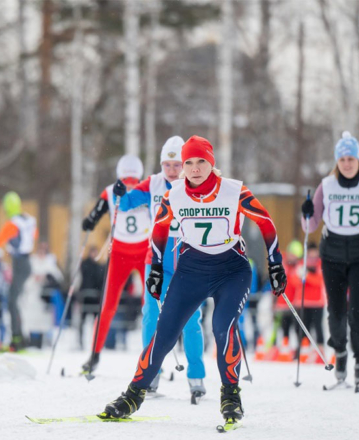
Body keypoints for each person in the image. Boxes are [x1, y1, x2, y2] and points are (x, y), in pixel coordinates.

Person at [98, 135, 286, 425]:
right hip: (192, 269)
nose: (195, 168)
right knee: (165, 332)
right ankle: (134, 394)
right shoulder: (174, 194)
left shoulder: (233, 190)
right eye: (189, 163)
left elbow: (265, 222)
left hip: (231, 270)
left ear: (211, 163)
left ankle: (230, 395)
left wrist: (275, 264)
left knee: (221, 326)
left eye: (201, 161)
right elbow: (159, 228)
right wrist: (157, 268)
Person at [300, 131, 359, 389]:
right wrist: (306, 212)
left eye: (351, 158)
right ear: (337, 162)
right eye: (342, 159)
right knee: (336, 310)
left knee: (357, 309)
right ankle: (340, 351)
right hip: (331, 253)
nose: (347, 163)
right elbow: (311, 224)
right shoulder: (327, 186)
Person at [115, 137, 208, 397]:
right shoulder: (154, 183)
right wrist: (120, 193)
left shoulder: (196, 186)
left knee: (191, 319)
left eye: (177, 165)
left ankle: (196, 376)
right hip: (156, 261)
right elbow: (125, 204)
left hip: (189, 262)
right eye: (167, 164)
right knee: (151, 317)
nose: (171, 170)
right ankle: (150, 373)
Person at [80, 155, 151, 374]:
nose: (130, 182)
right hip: (127, 252)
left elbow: (94, 215)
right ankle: (96, 355)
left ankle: (95, 356)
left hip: (137, 252)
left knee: (114, 306)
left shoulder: (118, 190)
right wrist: (90, 220)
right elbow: (96, 213)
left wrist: (90, 221)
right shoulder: (140, 187)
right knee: (147, 305)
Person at [0, 192, 37, 351]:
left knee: (12, 302)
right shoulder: (28, 219)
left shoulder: (12, 224)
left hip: (20, 263)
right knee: (15, 302)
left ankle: (17, 339)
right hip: (26, 262)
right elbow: (34, 235)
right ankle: (20, 336)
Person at [290, 243, 326, 353]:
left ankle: (320, 350)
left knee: (317, 327)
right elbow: (294, 281)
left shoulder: (320, 264)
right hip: (302, 302)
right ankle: (303, 348)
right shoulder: (301, 264)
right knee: (301, 328)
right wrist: (303, 277)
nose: (312, 258)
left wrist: (307, 276)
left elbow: (319, 281)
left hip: (317, 303)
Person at [77, 245, 104, 349]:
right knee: (82, 320)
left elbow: (100, 281)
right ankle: (80, 341)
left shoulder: (98, 266)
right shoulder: (85, 265)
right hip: (86, 296)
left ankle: (95, 342)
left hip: (95, 297)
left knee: (95, 322)